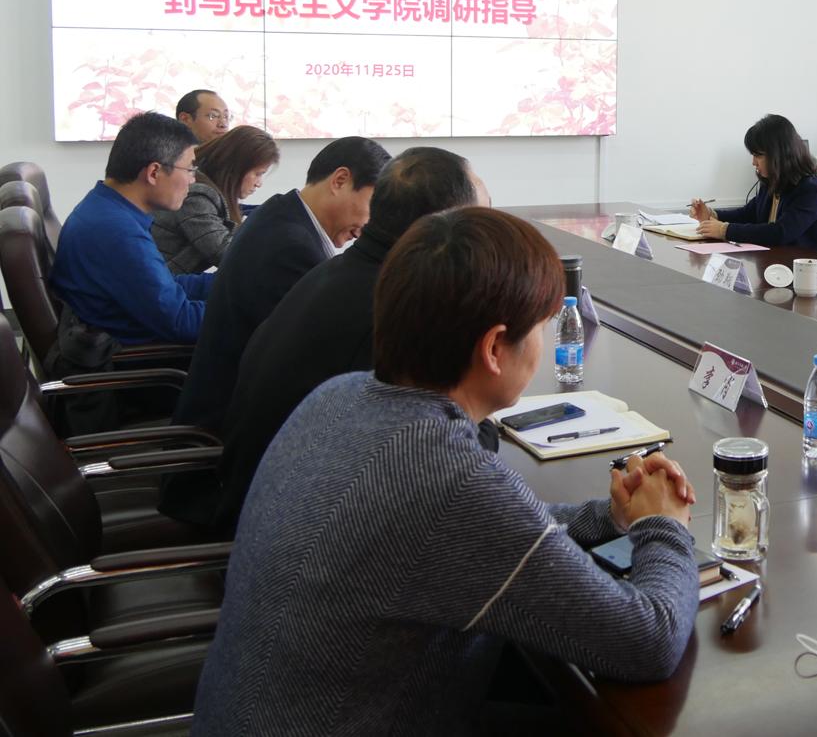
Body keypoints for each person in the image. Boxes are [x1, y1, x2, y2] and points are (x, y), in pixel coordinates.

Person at [191, 207, 700, 737]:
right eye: (542, 327)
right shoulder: (447, 478)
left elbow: (481, 530)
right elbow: (649, 640)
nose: (545, 343)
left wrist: (608, 518)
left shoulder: (340, 396)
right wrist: (661, 525)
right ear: (494, 348)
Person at [209, 147, 488, 532]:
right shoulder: (391, 311)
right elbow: (445, 457)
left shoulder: (340, 272)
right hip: (288, 531)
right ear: (444, 232)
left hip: (263, 493)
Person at [167, 135, 390, 440]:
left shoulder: (280, 215)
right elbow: (305, 375)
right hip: (225, 437)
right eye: (371, 206)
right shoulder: (291, 250)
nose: (368, 225)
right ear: (340, 180)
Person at [50, 111, 213, 344]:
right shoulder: (116, 232)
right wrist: (250, 307)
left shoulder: (105, 208)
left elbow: (165, 285)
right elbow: (182, 322)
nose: (192, 180)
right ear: (154, 172)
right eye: (189, 169)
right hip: (143, 357)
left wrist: (234, 282)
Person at [690, 113, 817, 252]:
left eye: (758, 155)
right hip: (777, 263)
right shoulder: (771, 182)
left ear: (779, 154)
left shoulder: (812, 190)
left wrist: (724, 230)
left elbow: (781, 232)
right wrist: (712, 214)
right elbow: (748, 214)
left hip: (811, 267)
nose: (753, 162)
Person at [151, 125, 280, 275]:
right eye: (258, 174)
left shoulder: (208, 190)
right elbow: (229, 255)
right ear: (236, 167)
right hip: (162, 283)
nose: (259, 183)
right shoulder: (197, 196)